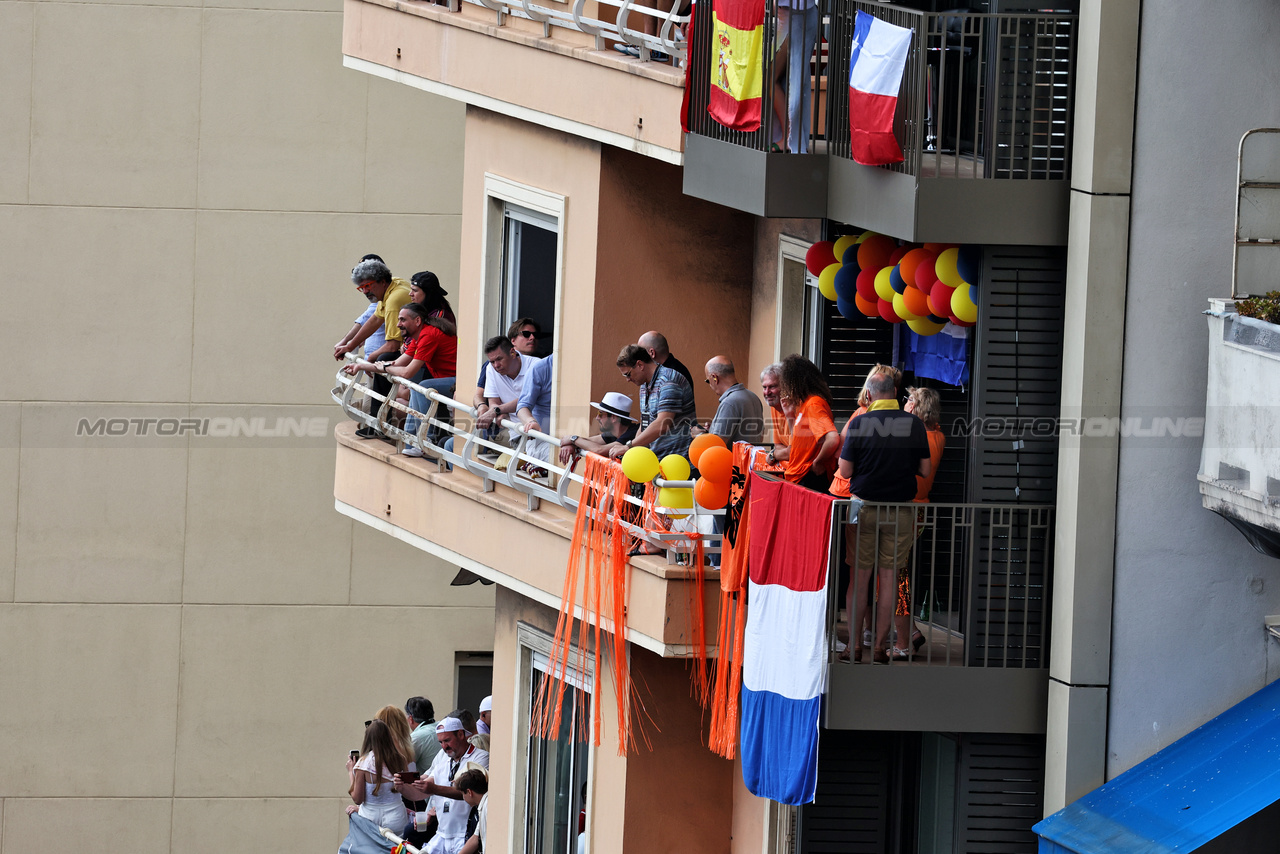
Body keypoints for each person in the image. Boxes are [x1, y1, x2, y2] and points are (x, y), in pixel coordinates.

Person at [839, 371, 932, 664]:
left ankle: (854, 646)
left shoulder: (859, 423)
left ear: (869, 394)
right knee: (889, 579)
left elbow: (844, 471)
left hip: (863, 508)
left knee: (860, 578)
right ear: (894, 391)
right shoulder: (915, 424)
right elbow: (925, 470)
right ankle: (879, 646)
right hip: (901, 510)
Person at [885, 385, 945, 660]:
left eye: (910, 400)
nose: (905, 403)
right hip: (919, 509)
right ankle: (909, 634)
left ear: (918, 407)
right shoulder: (937, 434)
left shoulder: (917, 435)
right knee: (898, 574)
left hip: (908, 510)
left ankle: (904, 642)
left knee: (898, 577)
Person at [397, 717, 491, 854]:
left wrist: (434, 789)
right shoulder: (443, 760)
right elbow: (420, 793)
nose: (444, 746)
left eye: (447, 740)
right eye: (440, 742)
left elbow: (470, 792)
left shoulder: (481, 757)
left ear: (460, 734)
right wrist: (401, 787)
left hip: (465, 834)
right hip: (442, 834)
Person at [610, 344, 696, 460]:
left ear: (640, 365)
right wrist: (633, 450)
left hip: (678, 462)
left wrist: (628, 446)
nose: (627, 379)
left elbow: (662, 424)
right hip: (658, 461)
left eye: (628, 374)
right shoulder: (644, 385)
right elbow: (645, 424)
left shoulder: (668, 381)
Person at [340, 719, 410, 853]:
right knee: (396, 850)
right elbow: (407, 788)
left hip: (370, 817)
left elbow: (358, 799)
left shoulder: (363, 763)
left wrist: (351, 771)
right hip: (396, 815)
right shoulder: (400, 759)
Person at [777, 354, 838, 491]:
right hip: (800, 476)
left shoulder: (813, 405)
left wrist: (818, 461)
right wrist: (789, 416)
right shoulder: (806, 405)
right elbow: (797, 443)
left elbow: (833, 439)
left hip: (808, 477)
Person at [695, 356, 765, 446]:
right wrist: (713, 429)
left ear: (714, 377)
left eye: (708, 381)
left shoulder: (729, 402)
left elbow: (717, 445)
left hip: (732, 460)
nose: (710, 385)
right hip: (751, 459)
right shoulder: (753, 397)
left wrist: (698, 435)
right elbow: (760, 436)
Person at [559, 392, 640, 464]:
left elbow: (599, 450)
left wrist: (572, 439)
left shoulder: (633, 433)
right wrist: (572, 444)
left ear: (613, 418)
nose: (597, 418)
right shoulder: (615, 432)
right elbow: (586, 441)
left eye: (600, 414)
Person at [517, 353, 556, 464]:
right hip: (541, 442)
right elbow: (522, 407)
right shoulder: (539, 369)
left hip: (572, 441)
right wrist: (531, 422)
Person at [760, 362, 790, 470]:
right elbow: (778, 445)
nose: (767, 392)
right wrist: (783, 452)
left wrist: (773, 455)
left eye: (772, 387)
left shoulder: (796, 408)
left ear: (785, 386)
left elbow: (795, 452)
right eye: (764, 387)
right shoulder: (775, 406)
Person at [454, 770, 489, 854]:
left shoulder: (488, 806)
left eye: (463, 793)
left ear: (469, 792)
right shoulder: (484, 805)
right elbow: (475, 838)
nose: (463, 797)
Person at [405, 697, 440, 778]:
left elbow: (405, 766)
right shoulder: (441, 728)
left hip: (425, 785)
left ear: (410, 718)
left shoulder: (416, 737)